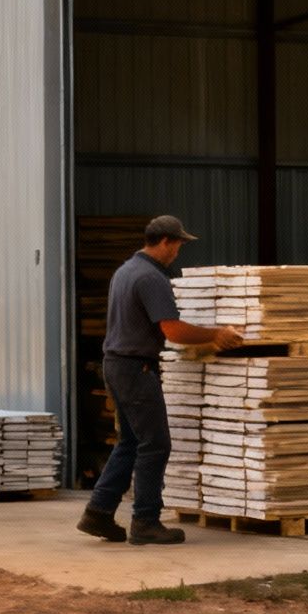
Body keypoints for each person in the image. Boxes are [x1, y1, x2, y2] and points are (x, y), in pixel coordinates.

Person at [77, 215, 243, 546]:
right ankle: (146, 521)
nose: (178, 253)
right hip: (137, 369)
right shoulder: (152, 278)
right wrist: (216, 334)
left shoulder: (124, 271)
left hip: (115, 364)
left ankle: (98, 512)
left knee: (130, 442)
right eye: (178, 245)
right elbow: (172, 329)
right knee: (156, 444)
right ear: (165, 242)